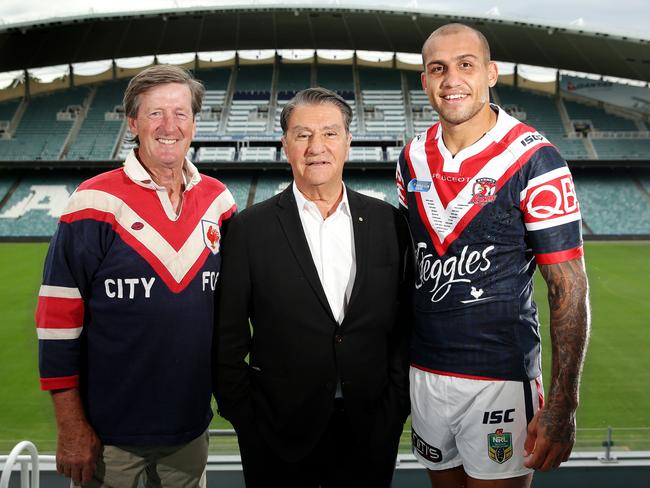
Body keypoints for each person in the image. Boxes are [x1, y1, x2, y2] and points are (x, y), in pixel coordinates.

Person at [396, 23, 591, 487]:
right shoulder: (411, 158)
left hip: (498, 376)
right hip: (425, 371)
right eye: (437, 69)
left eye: (466, 65)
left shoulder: (536, 159)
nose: (451, 80)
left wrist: (563, 405)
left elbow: (569, 287)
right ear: (424, 80)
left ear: (490, 73)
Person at [36, 65, 236, 487]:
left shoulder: (220, 201)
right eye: (155, 113)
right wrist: (70, 426)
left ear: (195, 123)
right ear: (132, 122)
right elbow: (56, 321)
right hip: (109, 438)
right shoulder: (92, 201)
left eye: (181, 113)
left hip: (190, 430)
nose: (169, 126)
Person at [214, 87, 412, 487]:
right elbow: (227, 338)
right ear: (285, 145)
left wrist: (394, 408)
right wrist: (248, 420)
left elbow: (406, 326)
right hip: (276, 434)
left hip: (370, 429)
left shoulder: (389, 223)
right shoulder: (248, 230)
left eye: (330, 133)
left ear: (348, 142)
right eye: (302, 135)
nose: (316, 147)